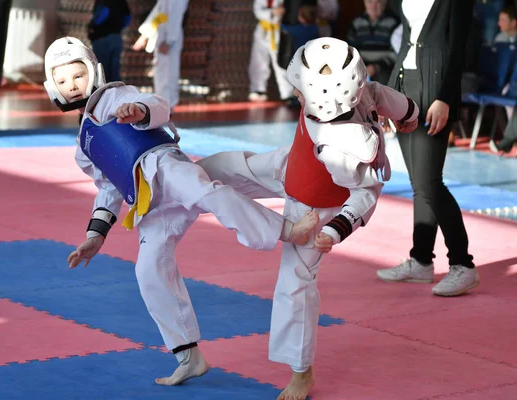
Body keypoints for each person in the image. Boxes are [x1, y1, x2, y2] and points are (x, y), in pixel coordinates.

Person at [43, 36, 319, 387]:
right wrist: (95, 235)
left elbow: (155, 103)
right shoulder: (84, 146)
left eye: (77, 76)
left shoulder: (116, 96)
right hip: (151, 204)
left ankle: (285, 229)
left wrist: (139, 111)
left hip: (168, 170)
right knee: (148, 270)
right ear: (52, 87)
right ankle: (188, 355)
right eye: (63, 81)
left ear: (93, 72)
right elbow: (109, 188)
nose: (72, 86)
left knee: (210, 193)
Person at [197, 37, 419, 400]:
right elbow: (379, 93)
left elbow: (365, 195)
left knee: (294, 284)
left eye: (301, 93)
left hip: (314, 209)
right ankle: (175, 183)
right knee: (229, 166)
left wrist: (335, 229)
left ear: (328, 99)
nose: (297, 97)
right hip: (293, 164)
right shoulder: (355, 92)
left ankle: (301, 372)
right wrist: (408, 113)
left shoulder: (343, 149)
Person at [376, 0, 479, 296]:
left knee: (430, 182)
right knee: (418, 184)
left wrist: (445, 98)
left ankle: (463, 265)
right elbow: (406, 45)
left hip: (435, 90)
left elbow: (460, 48)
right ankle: (421, 260)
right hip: (405, 84)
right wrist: (387, 97)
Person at [132, 0, 187, 111]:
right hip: (162, 35)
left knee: (168, 75)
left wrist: (169, 41)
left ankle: (167, 107)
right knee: (161, 74)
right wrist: (145, 35)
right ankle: (163, 107)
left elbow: (175, 17)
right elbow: (158, 14)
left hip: (168, 40)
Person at [247, 0, 294, 103]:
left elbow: (287, 10)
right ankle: (258, 89)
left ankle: (287, 93)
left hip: (278, 29)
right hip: (263, 29)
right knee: (258, 60)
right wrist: (273, 12)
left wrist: (279, 13)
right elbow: (257, 11)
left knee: (280, 61)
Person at [347, 0, 399, 84]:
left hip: (384, 67)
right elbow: (351, 49)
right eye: (370, 2)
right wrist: (361, 65)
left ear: (384, 4)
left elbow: (396, 52)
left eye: (378, 2)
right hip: (360, 65)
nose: (373, 7)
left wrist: (377, 67)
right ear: (364, 3)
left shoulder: (394, 22)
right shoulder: (357, 22)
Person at [88, 0, 131, 83]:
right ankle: (117, 94)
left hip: (102, 38)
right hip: (116, 38)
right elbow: (128, 18)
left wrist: (92, 25)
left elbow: (103, 13)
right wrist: (118, 27)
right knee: (114, 72)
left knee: (102, 73)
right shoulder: (122, 2)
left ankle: (105, 95)